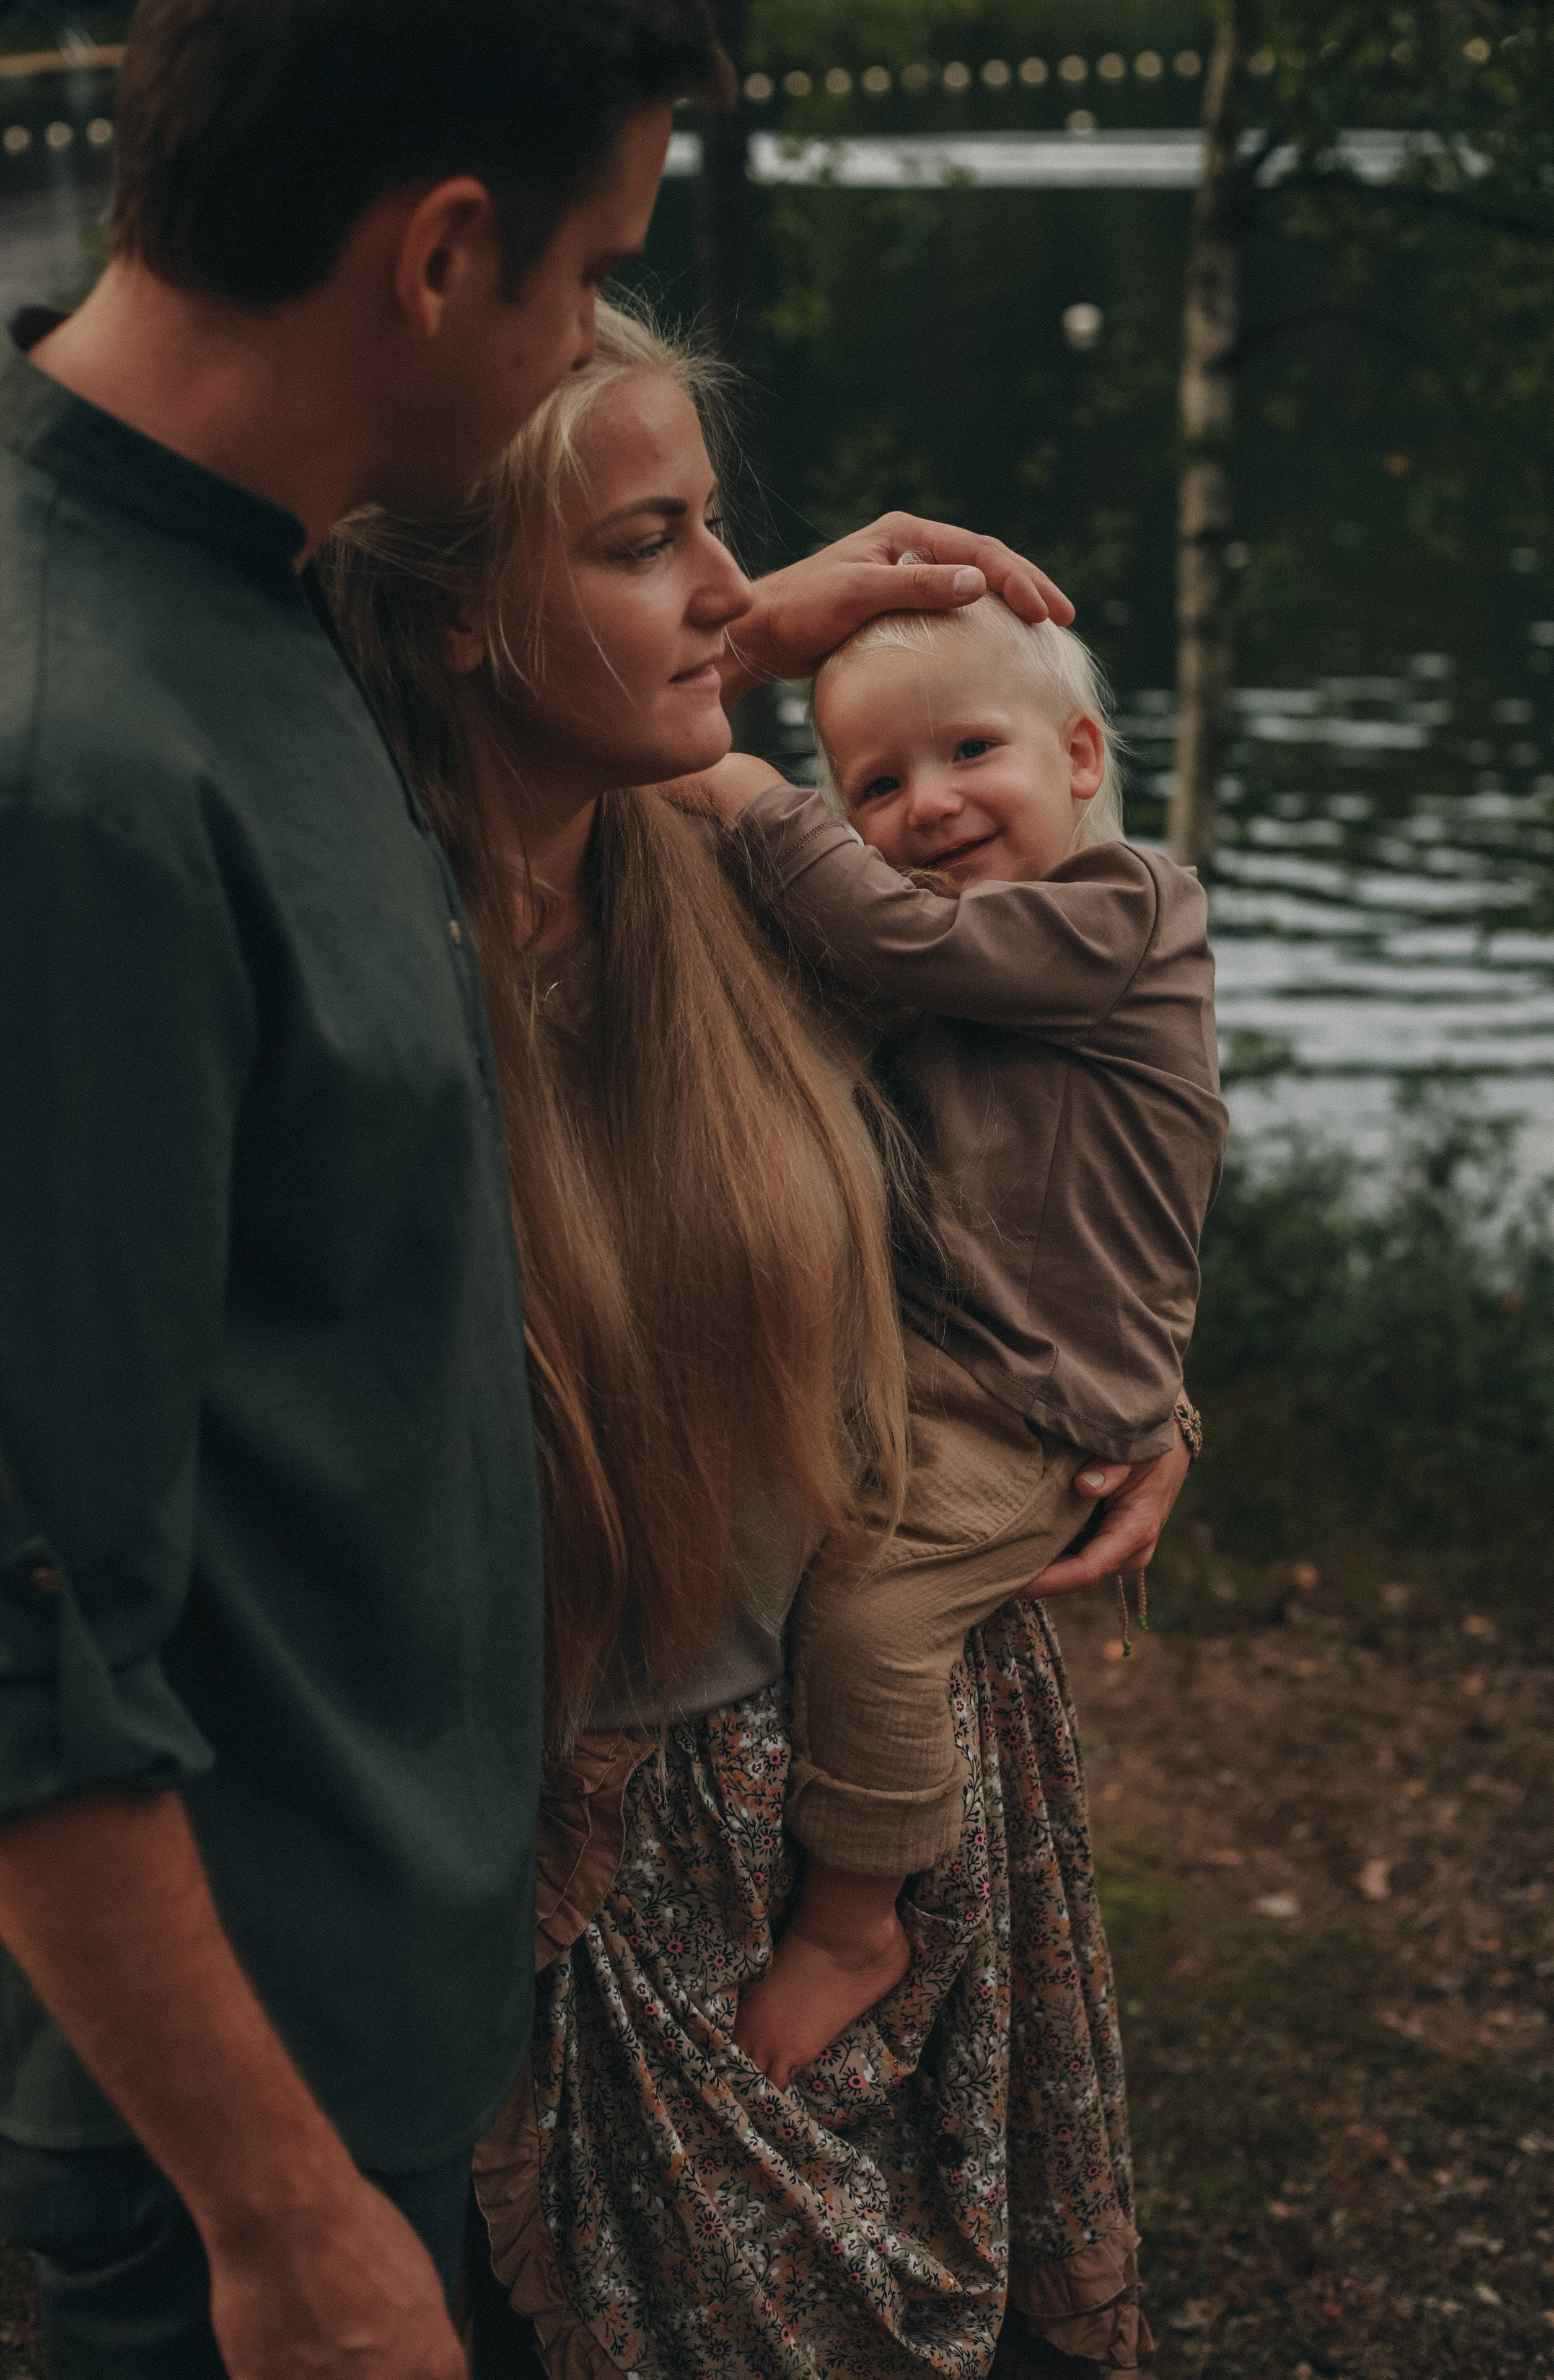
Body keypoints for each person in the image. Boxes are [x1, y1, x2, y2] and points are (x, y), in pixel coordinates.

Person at [0, 7, 1061, 2377]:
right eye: (589, 273)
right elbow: (29, 1634)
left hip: (415, 2038)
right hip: (252, 2155)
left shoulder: (244, 595)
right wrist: (286, 2223)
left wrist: (728, 632)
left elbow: (468, 698)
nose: (592, 328)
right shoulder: (70, 776)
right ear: (446, 251)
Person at [323, 298, 1182, 2379]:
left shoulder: (728, 880)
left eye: (724, 534)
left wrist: (1127, 1358)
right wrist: (758, 661)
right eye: (653, 546)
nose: (741, 595)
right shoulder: (367, 952)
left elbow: (1007, 1148)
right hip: (605, 1846)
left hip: (883, 1742)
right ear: (450, 618)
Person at [690, 603, 1226, 2087]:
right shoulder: (956, 961)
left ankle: (856, 1922)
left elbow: (880, 926)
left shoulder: (1126, 913)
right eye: (871, 784)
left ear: (1076, 757)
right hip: (926, 1362)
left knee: (872, 1619)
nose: (922, 806)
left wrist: (745, 788)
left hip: (1033, 1403)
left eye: (969, 751)